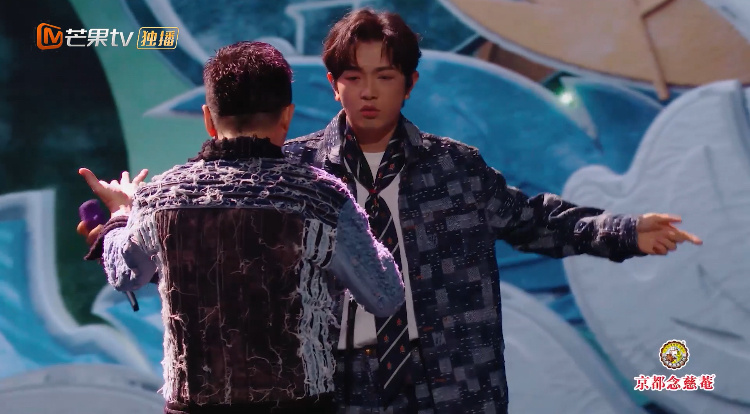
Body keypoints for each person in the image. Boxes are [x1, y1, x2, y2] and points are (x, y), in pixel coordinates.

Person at [280, 8, 703, 413]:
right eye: (354, 77)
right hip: (339, 386)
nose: (368, 91)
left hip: (450, 384)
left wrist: (625, 231)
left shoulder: (456, 167)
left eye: (385, 76)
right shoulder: (293, 173)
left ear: (409, 84)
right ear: (334, 84)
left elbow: (534, 220)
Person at [78, 41, 405, 414]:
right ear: (287, 116)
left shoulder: (161, 198)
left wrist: (121, 214)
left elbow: (125, 273)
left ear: (208, 119)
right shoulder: (321, 199)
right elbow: (384, 294)